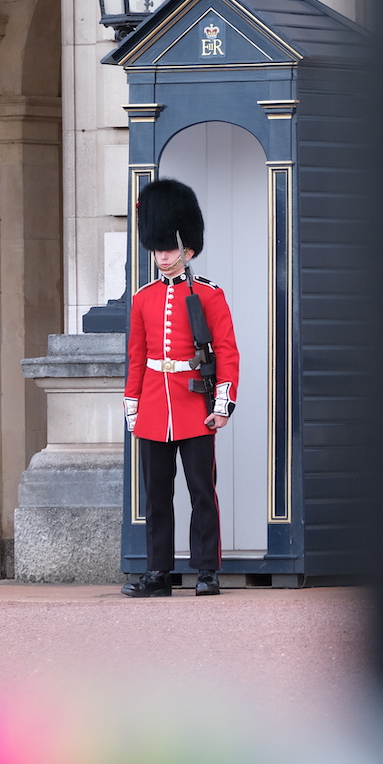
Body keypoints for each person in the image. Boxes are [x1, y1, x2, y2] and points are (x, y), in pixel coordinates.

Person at [121, 178, 239, 598]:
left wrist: (222, 403)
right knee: (157, 498)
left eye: (168, 249)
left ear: (187, 249)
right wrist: (132, 405)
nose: (161, 256)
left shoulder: (208, 295)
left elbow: (226, 352)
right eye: (157, 249)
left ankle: (206, 570)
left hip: (193, 405)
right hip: (154, 405)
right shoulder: (143, 299)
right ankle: (158, 574)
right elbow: (137, 358)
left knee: (201, 492)